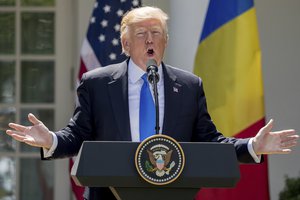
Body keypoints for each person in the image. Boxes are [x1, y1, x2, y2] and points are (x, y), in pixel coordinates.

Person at [5, 6, 298, 200]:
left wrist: (252, 147)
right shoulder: (96, 83)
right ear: (125, 44)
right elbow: (78, 136)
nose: (150, 40)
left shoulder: (188, 86)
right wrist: (51, 140)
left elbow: (210, 141)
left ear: (165, 42)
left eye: (156, 33)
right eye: (141, 34)